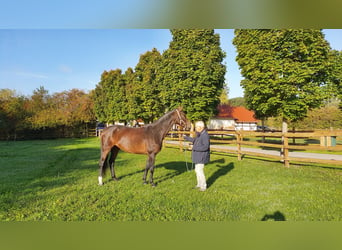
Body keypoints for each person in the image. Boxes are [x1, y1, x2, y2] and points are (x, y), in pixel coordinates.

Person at [184, 121, 210, 191]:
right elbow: (194, 140)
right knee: (197, 170)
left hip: (201, 156)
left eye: (196, 127)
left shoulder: (205, 135)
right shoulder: (200, 134)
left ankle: (203, 186)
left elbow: (205, 147)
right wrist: (186, 137)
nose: (195, 128)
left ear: (201, 127)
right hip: (198, 155)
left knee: (199, 171)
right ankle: (199, 184)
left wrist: (193, 148)